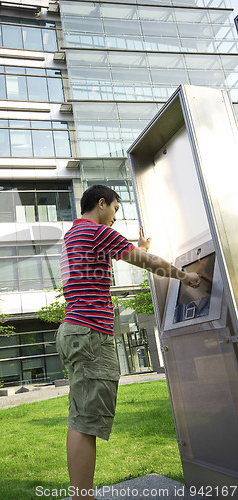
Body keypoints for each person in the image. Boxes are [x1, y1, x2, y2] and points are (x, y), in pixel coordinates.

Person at [55, 185, 200, 500]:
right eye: (116, 210)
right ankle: (82, 496)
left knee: (79, 415)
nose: (115, 218)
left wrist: (140, 246)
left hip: (73, 330)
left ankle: (81, 494)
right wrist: (184, 276)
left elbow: (105, 260)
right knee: (86, 421)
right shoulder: (96, 231)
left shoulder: (74, 234)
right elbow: (147, 263)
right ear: (102, 203)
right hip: (91, 332)